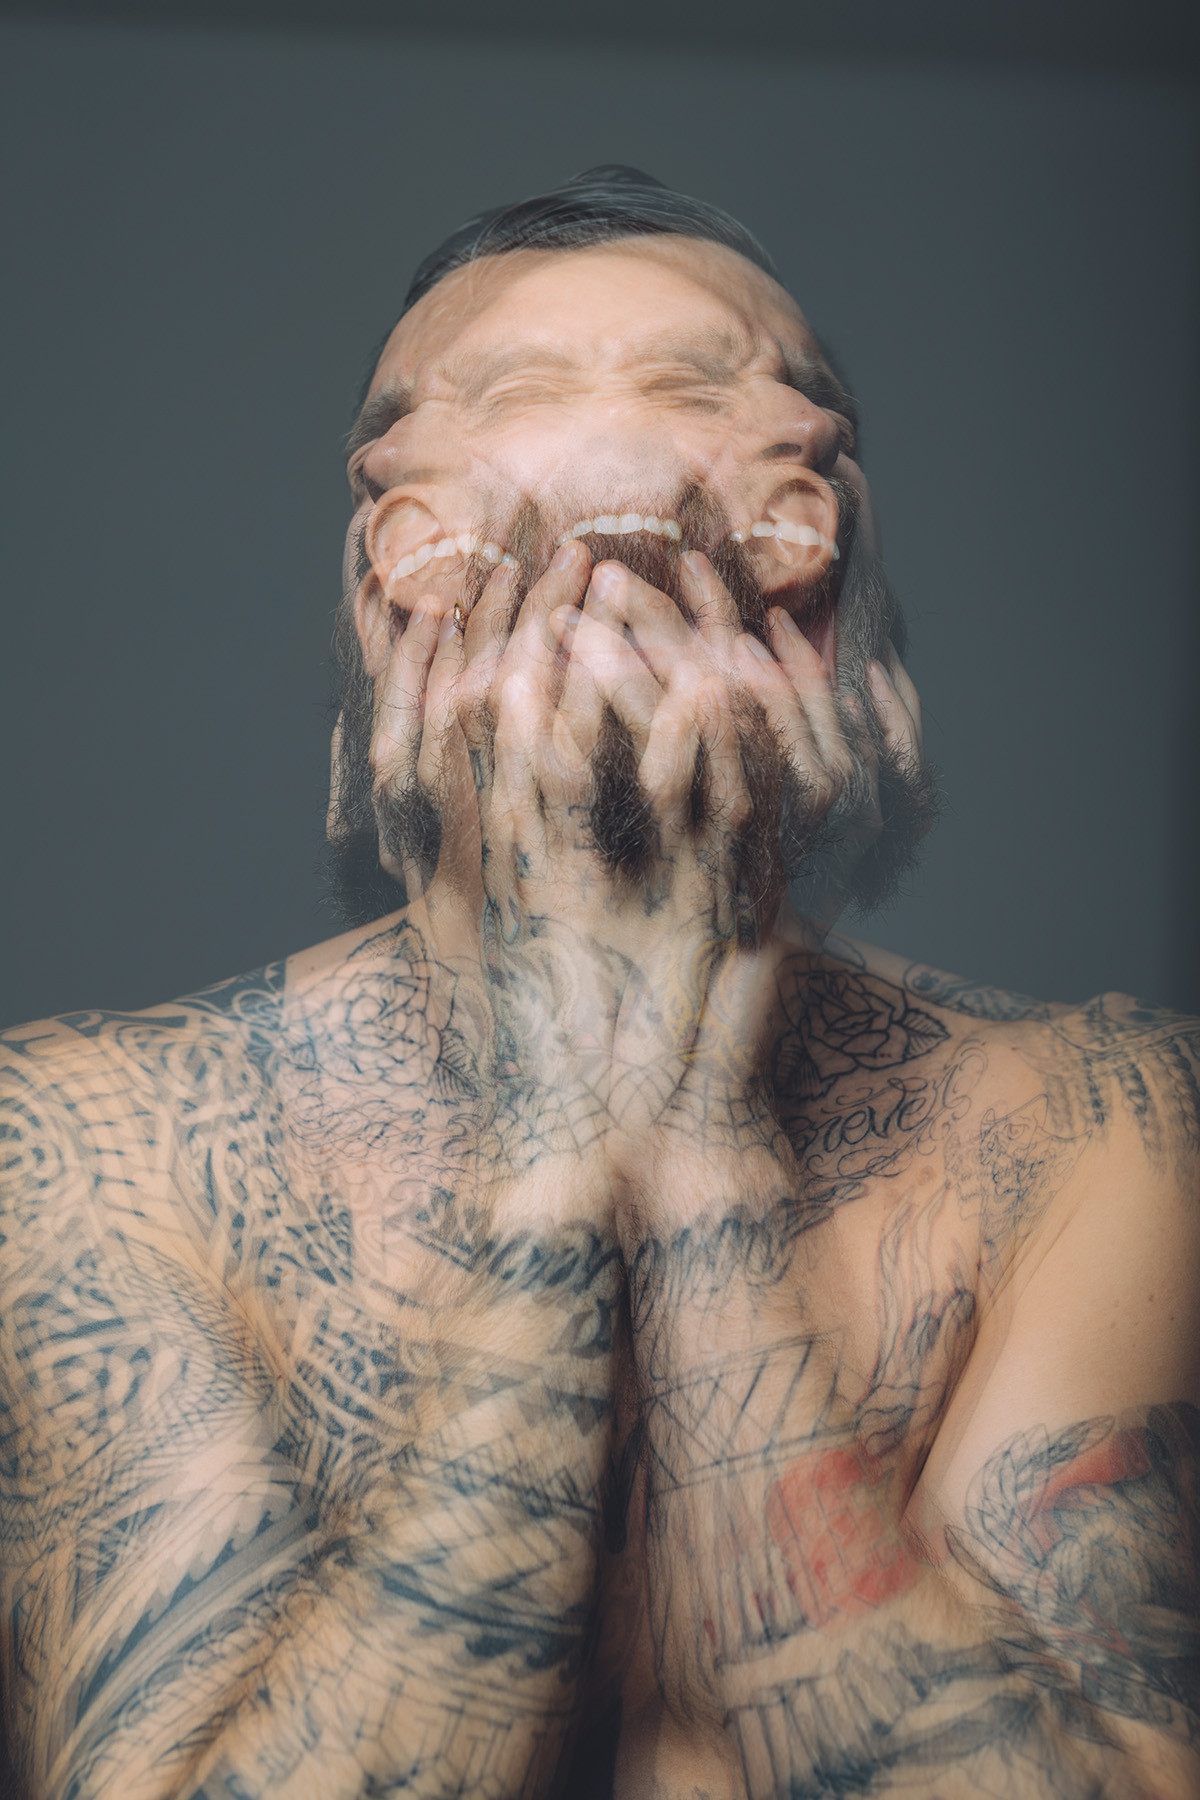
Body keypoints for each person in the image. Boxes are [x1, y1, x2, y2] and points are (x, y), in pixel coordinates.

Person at [1, 166, 1196, 1800]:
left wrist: (695, 1147)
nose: (617, 572)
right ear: (388, 595)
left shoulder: (1097, 1125)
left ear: (839, 612)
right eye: (518, 411)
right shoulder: (85, 1145)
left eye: (717, 411)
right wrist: (562, 1147)